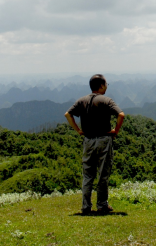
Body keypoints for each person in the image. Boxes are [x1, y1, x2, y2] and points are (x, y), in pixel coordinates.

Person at [65, 74, 125, 215]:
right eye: (106, 85)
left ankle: (86, 207)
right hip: (104, 139)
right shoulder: (106, 100)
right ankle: (102, 205)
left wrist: (79, 130)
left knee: (88, 175)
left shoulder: (81, 101)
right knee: (103, 174)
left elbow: (68, 114)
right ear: (102, 85)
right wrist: (115, 131)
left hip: (88, 140)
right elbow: (121, 115)